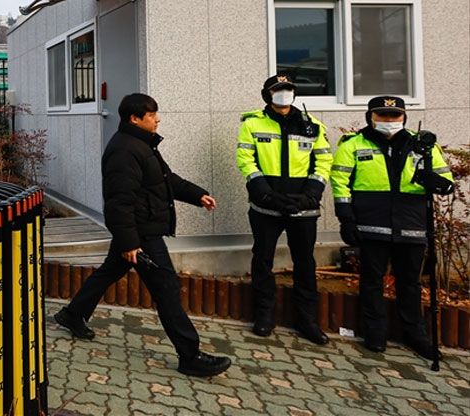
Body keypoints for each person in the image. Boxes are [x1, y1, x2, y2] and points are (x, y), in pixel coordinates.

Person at [54, 94, 231, 377]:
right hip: (142, 234)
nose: (157, 119)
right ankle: (190, 356)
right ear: (134, 118)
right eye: (151, 115)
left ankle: (73, 314)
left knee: (109, 272)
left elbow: (166, 180)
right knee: (167, 290)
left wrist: (198, 195)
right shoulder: (125, 151)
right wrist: (130, 242)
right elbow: (118, 201)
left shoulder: (141, 145)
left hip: (139, 231)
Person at [331, 96, 454, 358]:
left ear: (404, 118)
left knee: (410, 282)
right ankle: (375, 332)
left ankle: (415, 334)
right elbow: (340, 182)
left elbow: (445, 180)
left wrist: (435, 179)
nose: (389, 121)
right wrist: (347, 218)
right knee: (371, 281)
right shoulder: (353, 144)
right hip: (371, 224)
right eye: (383, 116)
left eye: (394, 116)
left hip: (411, 224)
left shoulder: (422, 145)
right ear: (370, 117)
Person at [237, 74, 332, 344]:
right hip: (266, 206)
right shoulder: (252, 124)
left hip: (303, 207)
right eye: (278, 90)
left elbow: (323, 161)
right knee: (263, 259)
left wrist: (311, 194)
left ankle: (307, 321)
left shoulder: (312, 125)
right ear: (267, 94)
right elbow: (245, 159)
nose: (284, 94)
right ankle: (265, 316)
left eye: (288, 89)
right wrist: (265, 194)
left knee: (305, 263)